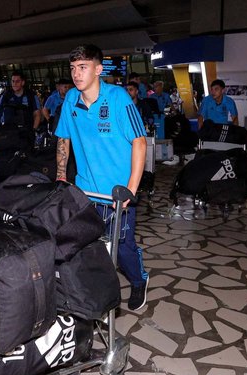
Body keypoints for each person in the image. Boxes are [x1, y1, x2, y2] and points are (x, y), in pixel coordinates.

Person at [55, 44, 149, 310]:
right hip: (86, 192)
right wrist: (61, 176)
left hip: (118, 193)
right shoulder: (70, 99)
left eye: (82, 67)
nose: (76, 74)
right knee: (86, 243)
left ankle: (139, 280)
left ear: (98, 69)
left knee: (123, 246)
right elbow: (64, 138)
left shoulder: (118, 97)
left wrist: (130, 190)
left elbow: (139, 142)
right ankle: (93, 289)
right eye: (73, 68)